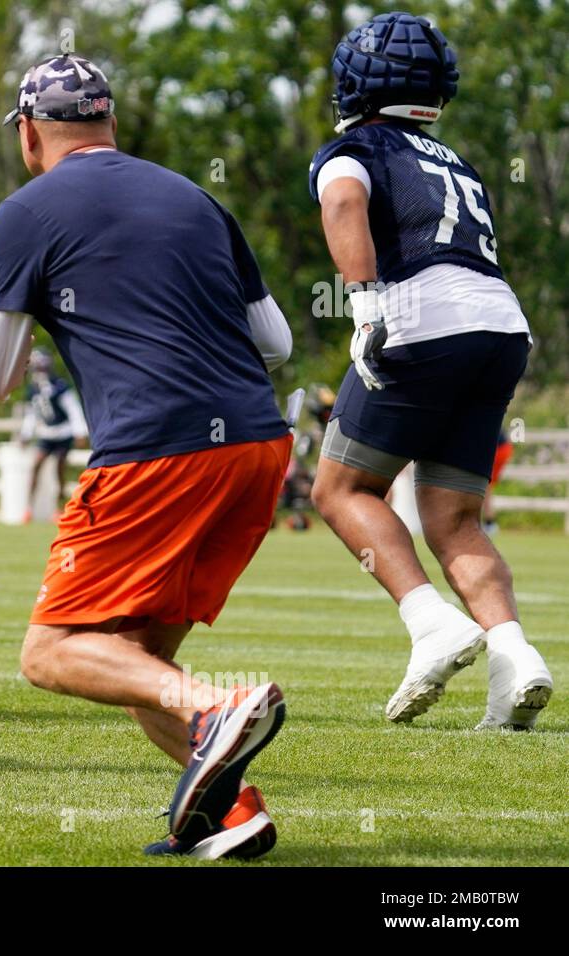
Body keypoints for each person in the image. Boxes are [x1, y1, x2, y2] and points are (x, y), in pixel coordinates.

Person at [0, 54, 294, 859]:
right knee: (133, 659)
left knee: (51, 652)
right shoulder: (194, 196)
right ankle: (233, 812)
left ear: (30, 134)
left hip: (156, 452)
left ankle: (218, 708)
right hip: (258, 447)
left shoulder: (27, 210)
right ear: (111, 123)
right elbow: (275, 343)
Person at [308, 12, 553, 729]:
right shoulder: (456, 161)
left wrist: (362, 302)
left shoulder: (354, 147)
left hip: (422, 313)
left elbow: (345, 200)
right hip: (500, 325)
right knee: (455, 517)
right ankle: (515, 659)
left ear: (356, 83)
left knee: (341, 488)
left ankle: (432, 624)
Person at [18, 349, 87, 521]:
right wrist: (26, 434)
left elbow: (73, 409)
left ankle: (59, 508)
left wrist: (80, 432)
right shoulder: (33, 389)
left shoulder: (60, 386)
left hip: (63, 433)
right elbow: (32, 414)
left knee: (59, 470)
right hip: (47, 434)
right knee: (36, 465)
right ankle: (28, 508)